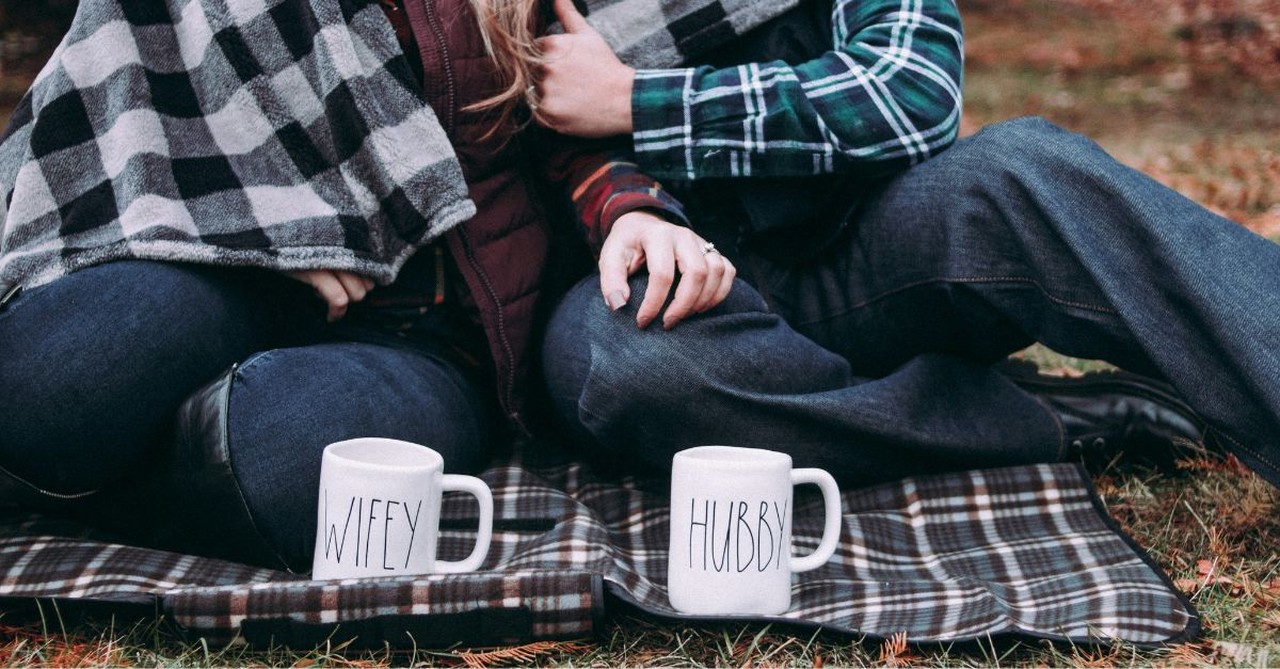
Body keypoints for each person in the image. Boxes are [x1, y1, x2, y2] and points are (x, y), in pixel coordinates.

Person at [0, 0, 728, 572]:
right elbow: (145, 101)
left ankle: (83, 473)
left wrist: (632, 207)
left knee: (283, 459)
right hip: (235, 264)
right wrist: (271, 236)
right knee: (42, 382)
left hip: (424, 336)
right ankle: (103, 447)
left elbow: (573, 121)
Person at [533, 0, 1280, 490]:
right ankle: (1043, 423)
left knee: (1022, 169)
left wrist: (636, 100)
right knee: (616, 364)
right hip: (676, 288)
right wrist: (634, 203)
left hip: (869, 249)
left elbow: (910, 93)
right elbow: (538, 129)